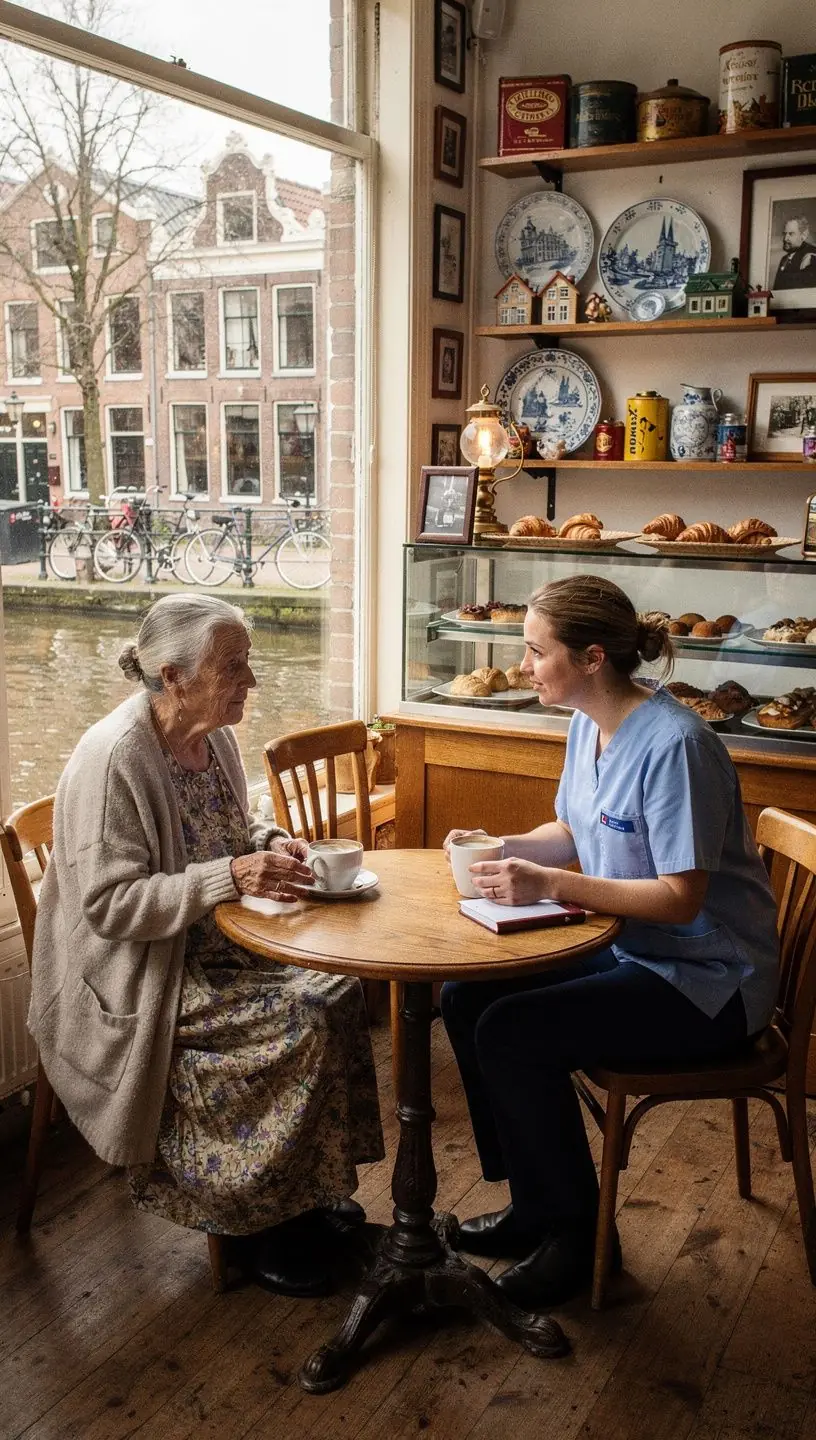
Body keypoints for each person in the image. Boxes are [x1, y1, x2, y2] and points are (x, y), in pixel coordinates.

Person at [29, 593, 384, 1297]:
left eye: (247, 662)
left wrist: (267, 844)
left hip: (209, 944)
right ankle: (255, 1230)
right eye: (234, 666)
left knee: (340, 988)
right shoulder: (116, 758)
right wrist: (230, 874)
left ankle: (305, 1198)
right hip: (135, 974)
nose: (251, 680)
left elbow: (230, 829)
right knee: (301, 1018)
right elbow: (108, 906)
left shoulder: (212, 736)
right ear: (173, 676)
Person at [441, 575, 778, 1309]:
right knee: (466, 995)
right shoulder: (590, 725)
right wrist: (499, 847)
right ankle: (537, 1203)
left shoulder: (677, 746)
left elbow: (680, 898)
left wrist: (550, 887)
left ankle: (577, 1238)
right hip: (640, 950)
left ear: (593, 657)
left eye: (536, 651)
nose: (525, 665)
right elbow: (574, 830)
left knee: (515, 1032)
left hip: (708, 980)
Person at [773, 215, 816, 289]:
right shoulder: (784, 259)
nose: (785, 238)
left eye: (791, 234)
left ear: (803, 235)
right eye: (784, 234)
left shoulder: (812, 255)